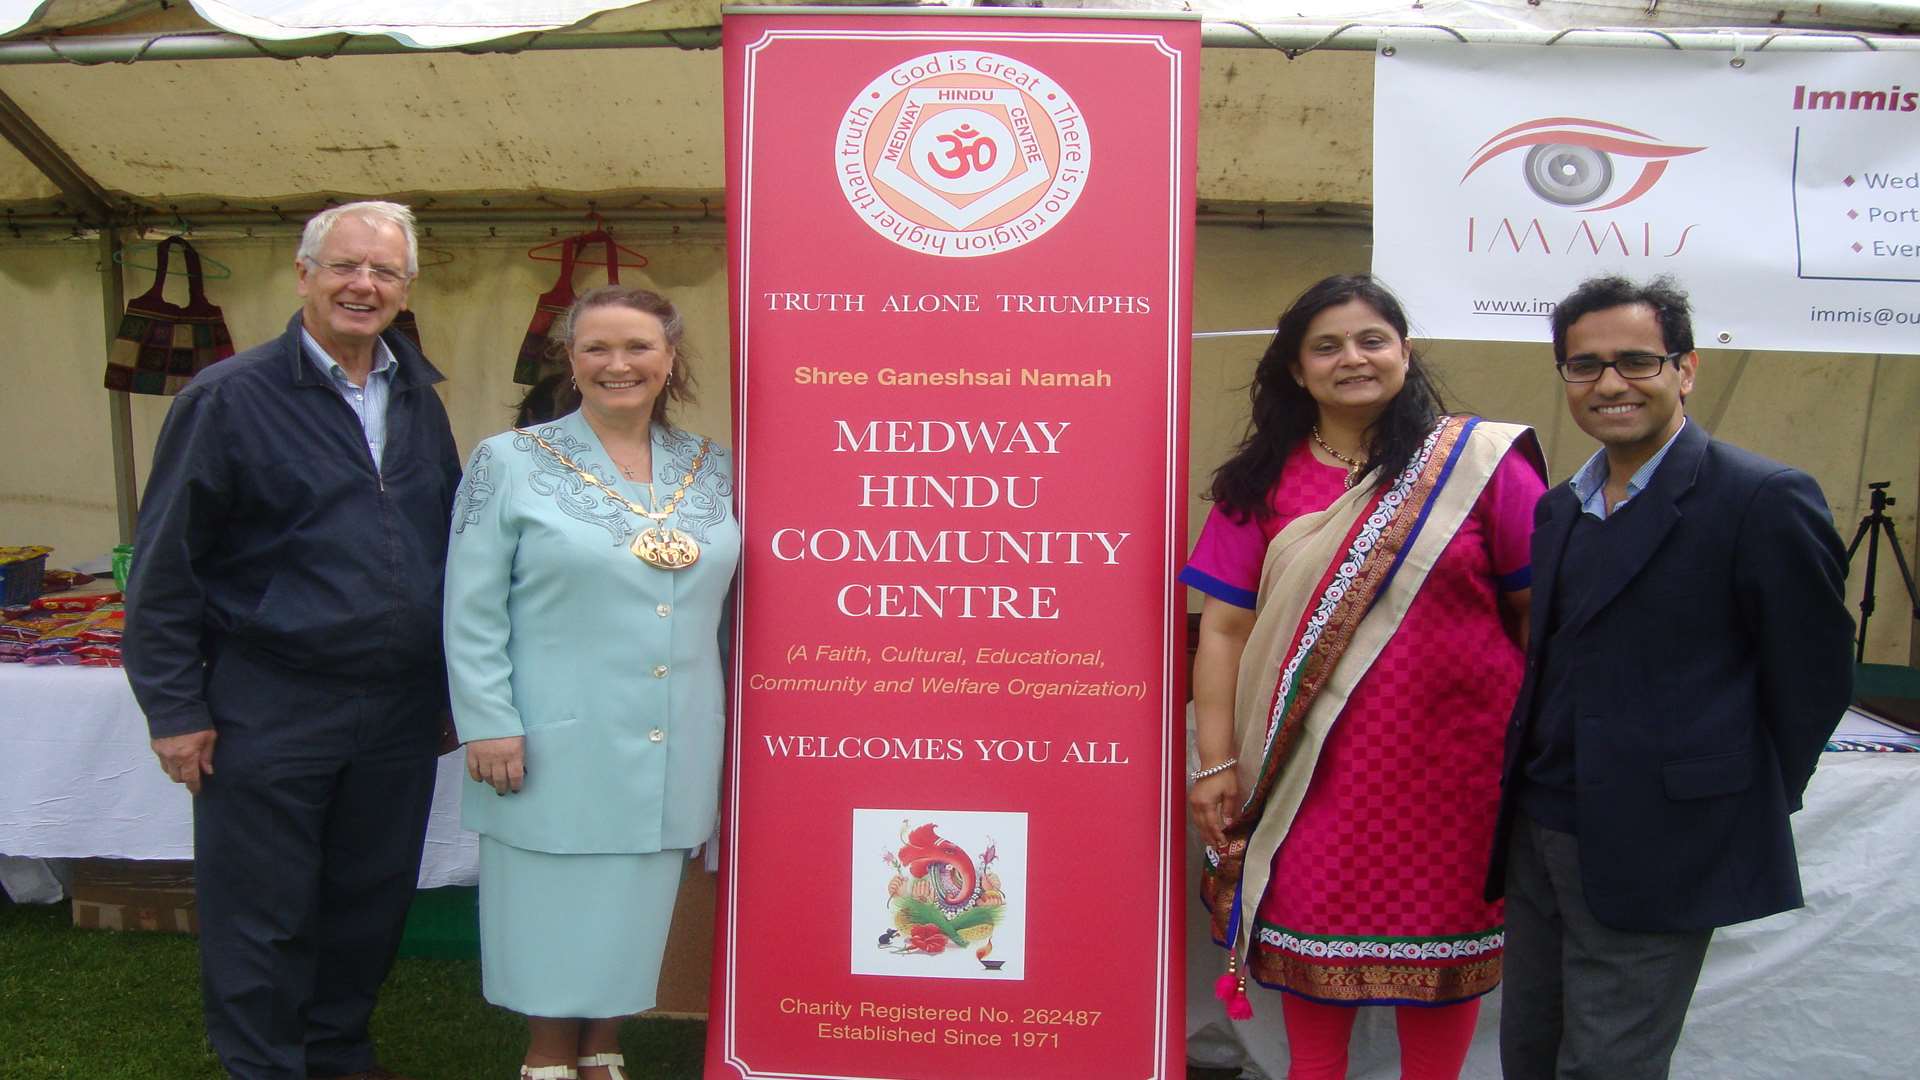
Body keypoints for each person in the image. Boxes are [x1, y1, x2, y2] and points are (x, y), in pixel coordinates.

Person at [124, 201, 462, 1080]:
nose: (364, 285)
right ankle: (265, 1066)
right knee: (262, 910)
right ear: (304, 274)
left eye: (384, 272)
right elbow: (165, 565)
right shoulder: (229, 397)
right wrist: (174, 706)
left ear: (406, 287)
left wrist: (449, 689)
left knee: (368, 901)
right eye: (346, 266)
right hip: (271, 699)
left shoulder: (418, 396)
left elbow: (444, 542)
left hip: (395, 708)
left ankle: (337, 1053)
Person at [1488, 275, 1853, 1080]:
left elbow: (1815, 677)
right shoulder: (1559, 510)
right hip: (1541, 831)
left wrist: (1723, 794)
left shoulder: (1759, 498)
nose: (1609, 383)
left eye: (1636, 360)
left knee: (1609, 1063)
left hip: (1664, 840)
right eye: (1585, 366)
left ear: (1686, 370)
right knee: (1531, 1052)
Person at [1186, 274, 1545, 1080]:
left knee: (1445, 961)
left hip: (1457, 773)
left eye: (1372, 339)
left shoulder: (1478, 467)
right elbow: (1226, 629)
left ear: (1404, 352)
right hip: (1309, 772)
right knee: (1312, 951)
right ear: (1295, 370)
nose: (1353, 358)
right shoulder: (1258, 485)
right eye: (1327, 345)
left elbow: (1539, 613)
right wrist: (1214, 764)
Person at [444, 285, 739, 1080]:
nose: (619, 365)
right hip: (547, 727)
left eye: (638, 347)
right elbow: (468, 606)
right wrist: (486, 719)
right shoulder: (508, 462)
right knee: (547, 892)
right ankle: (547, 1052)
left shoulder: (717, 468)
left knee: (637, 896)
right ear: (570, 362)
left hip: (675, 727)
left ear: (670, 359)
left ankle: (604, 1041)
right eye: (597, 348)